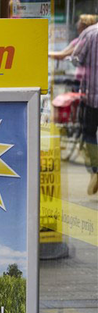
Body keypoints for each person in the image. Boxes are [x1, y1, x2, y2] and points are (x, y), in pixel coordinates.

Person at [73, 21, 98, 194]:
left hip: (92, 97)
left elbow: (76, 59)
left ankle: (96, 170)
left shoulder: (90, 33)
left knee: (88, 134)